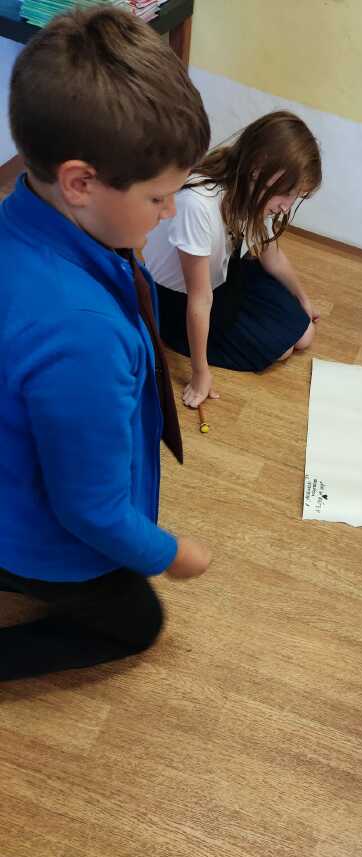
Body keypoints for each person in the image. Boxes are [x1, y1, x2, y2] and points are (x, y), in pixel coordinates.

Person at [0, 7, 212, 681]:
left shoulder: (21, 215)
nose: (170, 212)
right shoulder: (82, 336)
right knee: (138, 622)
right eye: (158, 198)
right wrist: (170, 553)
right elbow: (87, 508)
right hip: (32, 536)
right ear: (80, 183)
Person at [143, 111, 322, 407]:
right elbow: (200, 299)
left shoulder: (251, 191)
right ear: (258, 168)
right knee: (284, 349)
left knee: (305, 333)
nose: (286, 207)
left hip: (227, 274)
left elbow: (272, 255)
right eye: (287, 193)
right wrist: (200, 373)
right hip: (180, 300)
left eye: (295, 196)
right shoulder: (197, 204)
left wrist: (303, 298)